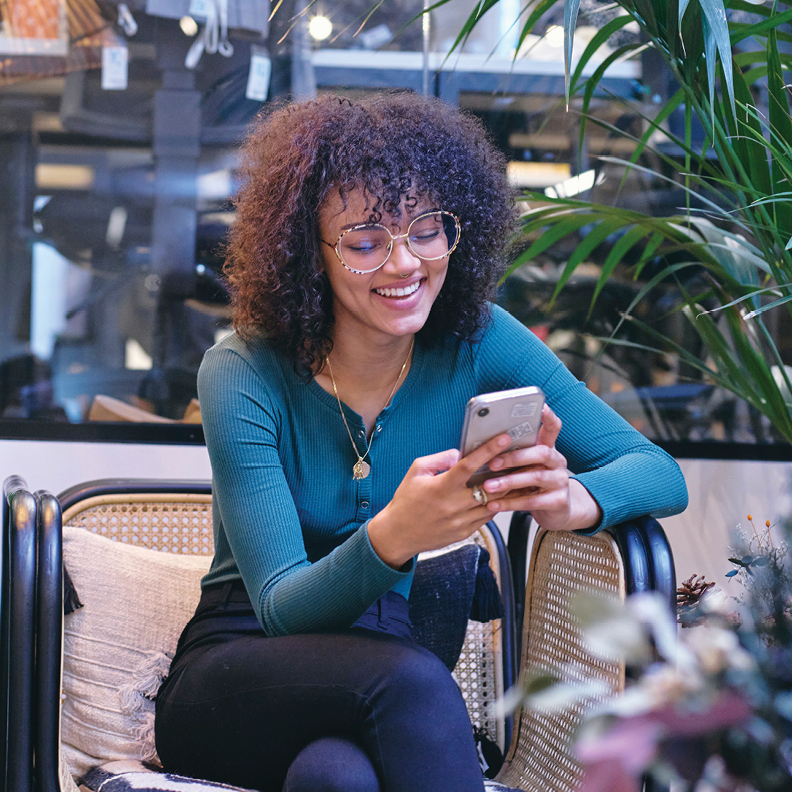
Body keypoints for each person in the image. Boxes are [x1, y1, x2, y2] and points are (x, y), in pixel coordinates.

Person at [154, 92, 688, 792]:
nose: (404, 264)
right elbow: (282, 608)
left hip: (377, 658)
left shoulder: (478, 341)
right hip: (239, 666)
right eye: (366, 241)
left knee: (335, 780)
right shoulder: (243, 371)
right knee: (411, 680)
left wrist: (571, 498)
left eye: (426, 230)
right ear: (305, 253)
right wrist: (396, 534)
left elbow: (657, 472)